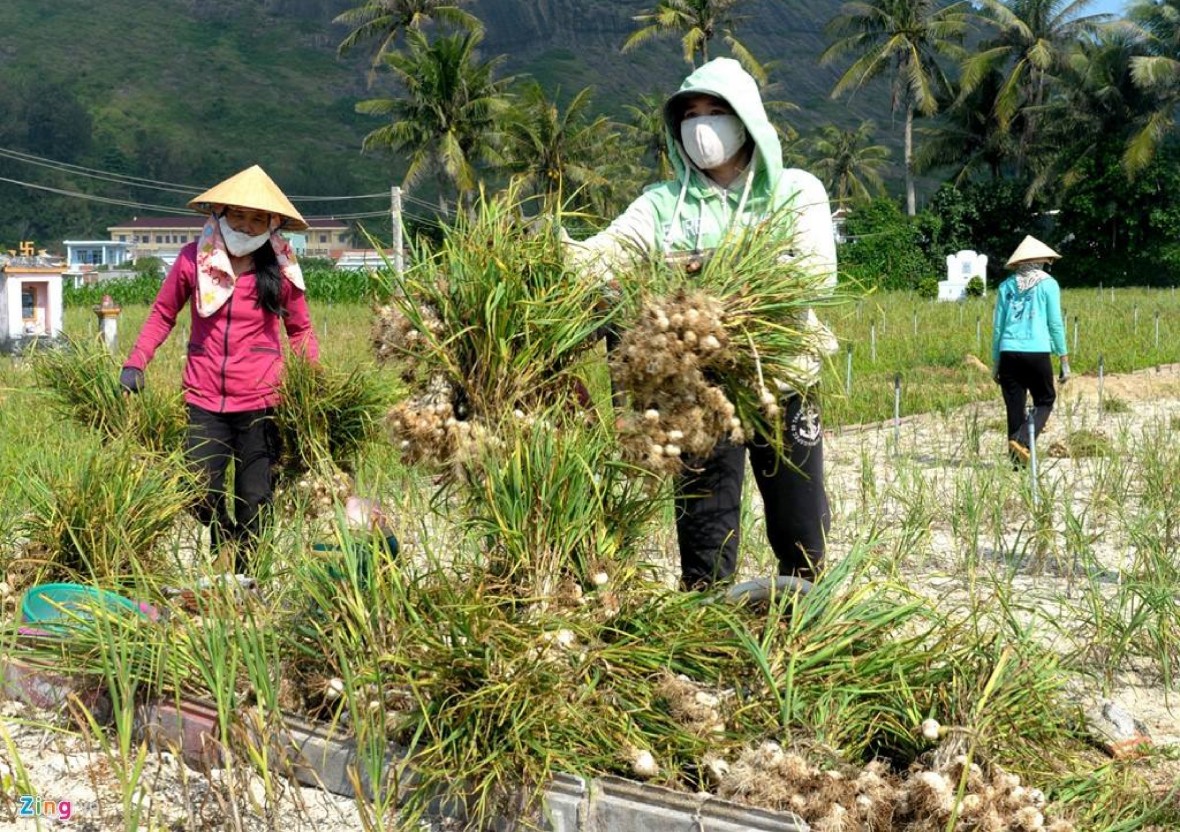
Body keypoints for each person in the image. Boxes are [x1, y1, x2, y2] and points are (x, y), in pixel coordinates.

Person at [567, 58, 838, 589]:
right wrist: (555, 256)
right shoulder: (663, 205)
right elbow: (610, 252)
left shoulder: (795, 191)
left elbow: (815, 275)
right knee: (705, 527)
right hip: (698, 391)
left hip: (781, 378)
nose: (701, 126)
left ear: (745, 119)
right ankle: (706, 627)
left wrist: (705, 276)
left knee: (801, 522)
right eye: (689, 114)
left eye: (715, 111)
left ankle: (809, 618)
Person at [120, 165, 320, 573]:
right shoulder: (194, 260)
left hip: (263, 400)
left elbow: (300, 330)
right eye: (238, 215)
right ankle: (224, 539)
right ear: (220, 213)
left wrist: (312, 386)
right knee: (196, 491)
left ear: (272, 223)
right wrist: (136, 361)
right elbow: (162, 313)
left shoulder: (281, 267)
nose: (246, 226)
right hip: (204, 397)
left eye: (257, 218)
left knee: (256, 499)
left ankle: (247, 579)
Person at [991, 235, 1069, 465]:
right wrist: (1063, 359)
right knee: (1045, 399)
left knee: (1014, 408)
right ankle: (1023, 439)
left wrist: (996, 362)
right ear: (1042, 260)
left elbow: (998, 327)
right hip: (1037, 352)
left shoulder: (1006, 286)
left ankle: (1017, 463)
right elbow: (1055, 323)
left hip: (1008, 353)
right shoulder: (1048, 284)